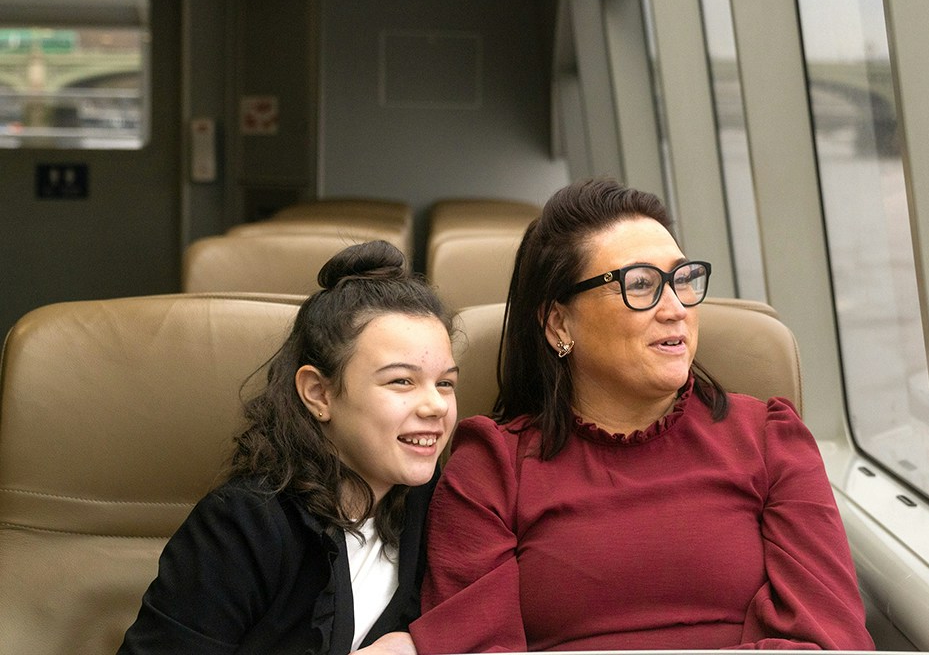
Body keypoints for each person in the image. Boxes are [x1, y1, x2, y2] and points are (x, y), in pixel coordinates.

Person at [411, 178, 874, 653]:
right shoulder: (490, 469)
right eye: (640, 286)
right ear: (558, 323)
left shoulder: (770, 440)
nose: (675, 309)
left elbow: (831, 639)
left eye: (682, 280)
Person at [119, 240, 459, 655]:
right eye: (400, 381)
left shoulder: (438, 503)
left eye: (445, 382)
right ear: (319, 393)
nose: (436, 405)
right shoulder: (242, 526)